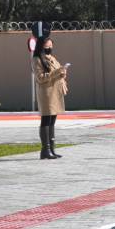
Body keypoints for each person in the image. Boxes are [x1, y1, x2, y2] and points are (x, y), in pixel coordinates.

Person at [31, 24, 68, 160]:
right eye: (48, 46)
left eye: (51, 45)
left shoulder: (52, 58)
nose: (50, 48)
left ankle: (52, 148)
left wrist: (62, 73)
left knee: (52, 121)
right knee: (46, 120)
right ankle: (45, 150)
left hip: (55, 92)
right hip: (46, 93)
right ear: (42, 46)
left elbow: (56, 72)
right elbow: (41, 78)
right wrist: (57, 72)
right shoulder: (37, 59)